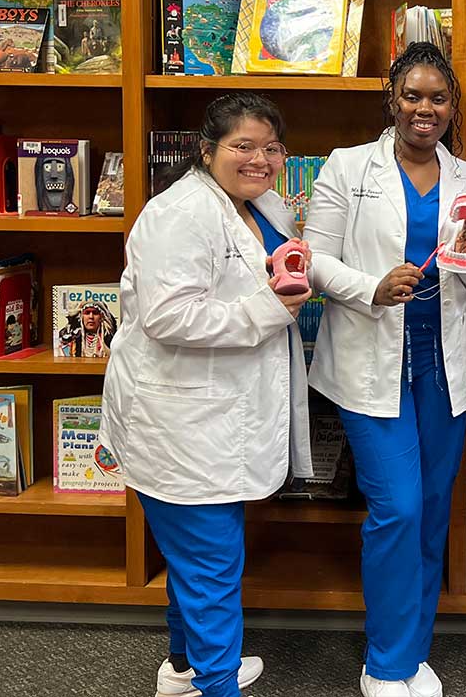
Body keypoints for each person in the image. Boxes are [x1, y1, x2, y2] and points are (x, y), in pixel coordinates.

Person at [99, 92, 315, 697]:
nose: (261, 159)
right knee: (211, 566)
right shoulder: (180, 213)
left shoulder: (256, 202)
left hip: (216, 417)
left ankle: (185, 667)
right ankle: (218, 683)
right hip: (183, 424)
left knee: (196, 560)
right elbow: (169, 317)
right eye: (242, 146)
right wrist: (267, 309)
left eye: (271, 147)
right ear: (206, 150)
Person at [301, 41, 466, 697]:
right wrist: (368, 288)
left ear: (450, 108)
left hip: (445, 365)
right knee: (398, 508)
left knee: (434, 510)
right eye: (413, 95)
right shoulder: (348, 168)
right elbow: (314, 259)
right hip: (368, 360)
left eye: (438, 98)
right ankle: (384, 661)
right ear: (392, 99)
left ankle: (413, 651)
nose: (425, 108)